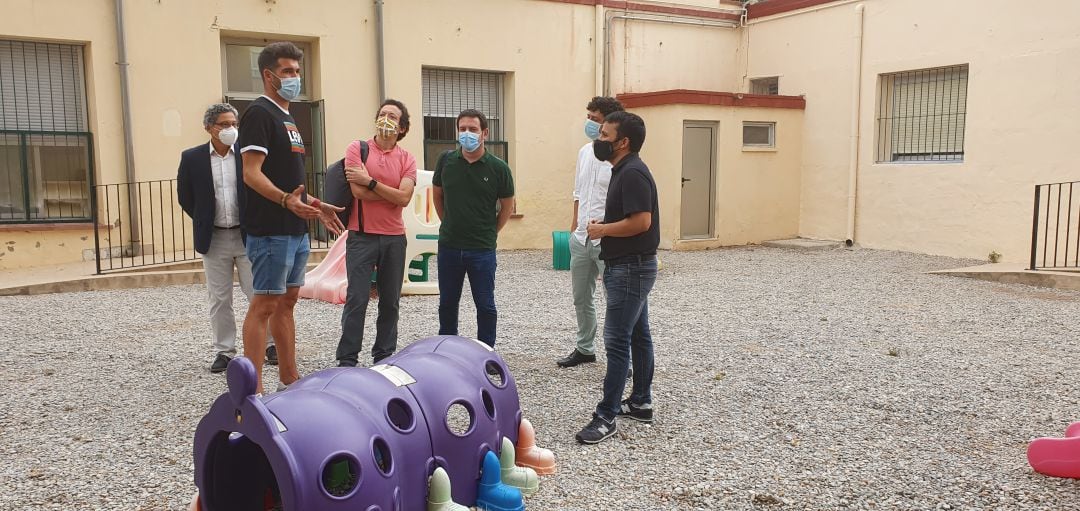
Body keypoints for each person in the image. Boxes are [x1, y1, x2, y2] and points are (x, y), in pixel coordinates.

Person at [238, 42, 344, 394]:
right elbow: (251, 173)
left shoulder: (287, 117)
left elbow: (287, 180)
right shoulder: (259, 114)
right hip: (270, 229)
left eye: (297, 71)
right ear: (268, 76)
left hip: (295, 229)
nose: (295, 77)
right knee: (264, 305)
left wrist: (316, 204)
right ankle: (253, 392)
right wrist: (285, 201)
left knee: (287, 303)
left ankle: (290, 378)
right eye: (287, 71)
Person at [575, 111, 660, 445]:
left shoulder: (632, 173)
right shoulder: (624, 170)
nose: (599, 141)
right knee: (638, 335)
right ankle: (640, 402)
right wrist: (607, 226)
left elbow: (642, 222)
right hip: (631, 266)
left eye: (605, 136)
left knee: (617, 341)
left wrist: (603, 230)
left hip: (630, 268)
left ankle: (606, 415)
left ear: (623, 142)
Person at [177, 104, 277, 373]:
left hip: (248, 236)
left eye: (234, 123)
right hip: (214, 238)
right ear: (209, 128)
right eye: (224, 124)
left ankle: (270, 345)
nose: (230, 128)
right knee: (220, 298)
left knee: (258, 293)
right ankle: (225, 351)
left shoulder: (246, 155)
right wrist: (205, 219)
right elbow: (185, 197)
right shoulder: (192, 158)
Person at [335, 99, 418, 366]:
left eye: (392, 116)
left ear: (402, 127)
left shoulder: (407, 159)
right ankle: (347, 359)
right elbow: (357, 192)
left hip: (394, 238)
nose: (386, 119)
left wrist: (370, 181)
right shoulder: (357, 149)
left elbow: (404, 198)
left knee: (390, 301)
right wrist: (389, 193)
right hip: (361, 236)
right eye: (382, 114)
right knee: (357, 299)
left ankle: (384, 356)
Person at [432, 109, 515, 347]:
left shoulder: (498, 168)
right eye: (462, 129)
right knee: (447, 304)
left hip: (482, 250)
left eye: (473, 129)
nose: (467, 133)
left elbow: (507, 206)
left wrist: (491, 231)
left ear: (484, 133)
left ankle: (485, 352)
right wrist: (448, 222)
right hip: (449, 246)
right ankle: (447, 350)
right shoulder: (445, 161)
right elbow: (437, 195)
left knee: (485, 305)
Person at [557, 96, 624, 369]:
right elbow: (578, 192)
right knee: (581, 298)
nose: (589, 123)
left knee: (616, 301)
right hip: (581, 238)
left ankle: (622, 357)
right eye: (589, 118)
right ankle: (585, 348)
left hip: (607, 240)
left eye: (595, 119)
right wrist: (574, 227)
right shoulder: (585, 152)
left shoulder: (619, 158)